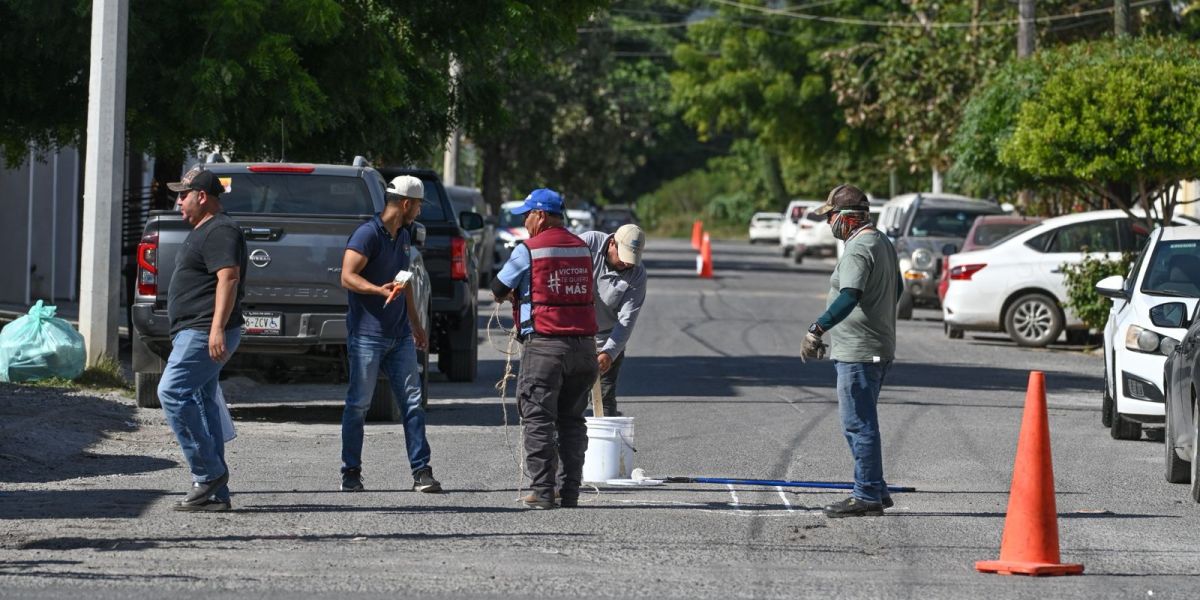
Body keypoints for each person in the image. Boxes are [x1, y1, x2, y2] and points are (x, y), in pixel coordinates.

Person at [490, 188, 598, 510]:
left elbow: (497, 289)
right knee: (572, 420)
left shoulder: (529, 250)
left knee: (538, 419)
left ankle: (542, 490)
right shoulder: (582, 249)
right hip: (584, 349)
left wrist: (517, 295)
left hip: (546, 348)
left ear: (541, 215)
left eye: (527, 214)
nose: (524, 221)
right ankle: (570, 491)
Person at [800, 184, 902, 518]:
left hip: (859, 351)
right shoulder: (882, 241)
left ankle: (867, 494)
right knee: (861, 420)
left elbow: (850, 294)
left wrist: (818, 328)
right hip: (876, 346)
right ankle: (877, 488)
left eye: (830, 215)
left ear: (846, 218)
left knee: (858, 424)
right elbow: (897, 289)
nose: (828, 222)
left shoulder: (859, 248)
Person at [338, 175, 438, 494]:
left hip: (400, 337)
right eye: (419, 204)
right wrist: (376, 291)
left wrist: (416, 324)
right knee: (358, 405)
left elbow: (403, 281)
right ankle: (350, 473)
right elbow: (347, 276)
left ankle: (421, 472)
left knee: (412, 403)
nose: (420, 210)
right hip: (366, 335)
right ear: (406, 204)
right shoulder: (368, 234)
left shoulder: (404, 235)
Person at [158, 166, 247, 512]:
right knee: (202, 400)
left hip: (203, 330)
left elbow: (229, 278)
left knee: (171, 391)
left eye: (183, 194)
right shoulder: (205, 229)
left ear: (202, 196)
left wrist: (215, 328)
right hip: (194, 329)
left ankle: (207, 472)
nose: (178, 200)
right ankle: (216, 493)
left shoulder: (220, 230)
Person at [578, 224, 647, 417]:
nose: (626, 264)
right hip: (574, 337)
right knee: (572, 397)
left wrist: (609, 352)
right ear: (611, 244)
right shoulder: (589, 242)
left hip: (605, 341)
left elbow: (627, 320)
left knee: (604, 399)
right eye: (623, 258)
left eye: (631, 260)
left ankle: (605, 444)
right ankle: (568, 444)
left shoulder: (638, 274)